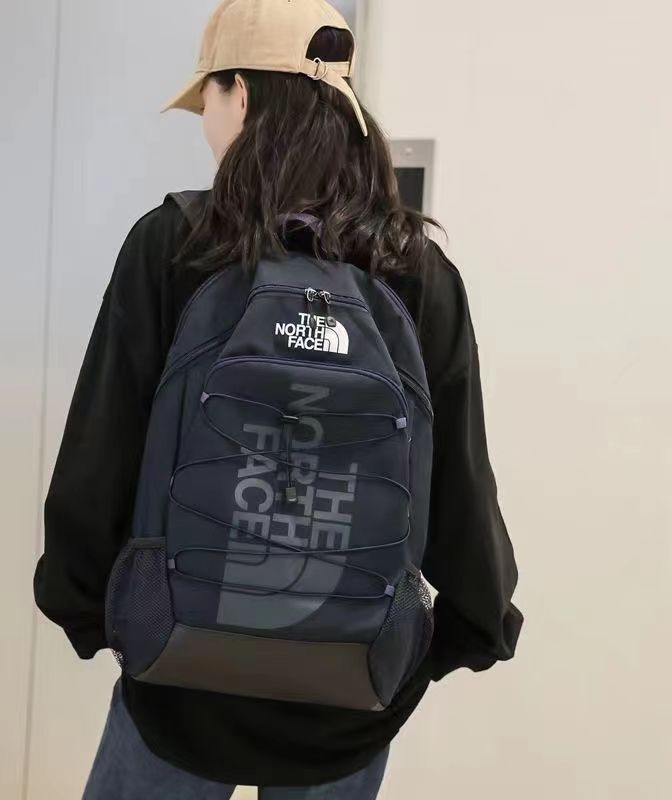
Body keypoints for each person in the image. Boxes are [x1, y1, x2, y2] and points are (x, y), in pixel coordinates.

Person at [32, 1, 524, 797]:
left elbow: (102, 449)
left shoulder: (175, 243)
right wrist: (467, 628)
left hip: (178, 677)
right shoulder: (416, 270)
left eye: (207, 98)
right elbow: (462, 479)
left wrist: (87, 608)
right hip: (350, 687)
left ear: (240, 93)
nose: (206, 123)